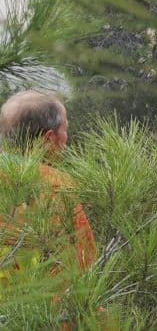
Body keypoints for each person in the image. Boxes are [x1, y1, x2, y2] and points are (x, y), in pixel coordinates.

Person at [0, 89, 95, 269]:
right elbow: (81, 258)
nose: (66, 137)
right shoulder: (54, 183)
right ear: (48, 138)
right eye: (65, 128)